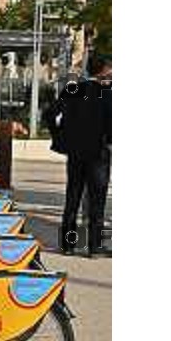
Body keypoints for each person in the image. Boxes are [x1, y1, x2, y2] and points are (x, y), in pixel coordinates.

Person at [47, 55, 112, 257]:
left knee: (72, 198)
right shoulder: (107, 93)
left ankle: (68, 245)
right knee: (97, 201)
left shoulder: (73, 89)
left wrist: (60, 138)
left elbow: (50, 114)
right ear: (104, 70)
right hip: (98, 153)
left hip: (75, 152)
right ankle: (94, 246)